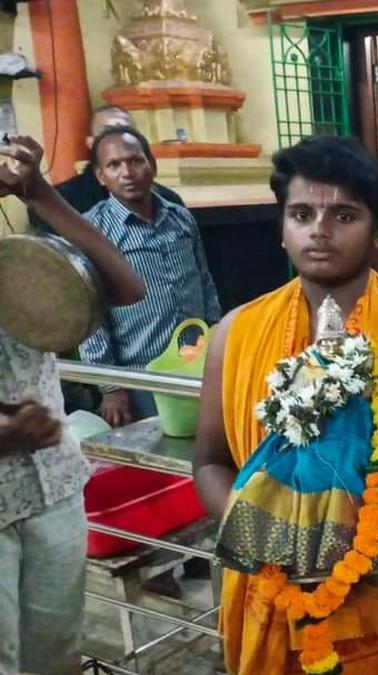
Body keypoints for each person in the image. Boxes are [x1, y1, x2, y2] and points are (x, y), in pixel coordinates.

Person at [192, 135, 378, 674]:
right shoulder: (235, 333)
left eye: (344, 215)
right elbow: (211, 462)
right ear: (282, 230)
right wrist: (265, 541)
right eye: (301, 213)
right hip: (272, 596)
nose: (320, 230)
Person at [0, 135, 146, 675]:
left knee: (57, 653)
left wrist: (40, 193)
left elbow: (128, 287)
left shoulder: (17, 259)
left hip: (53, 487)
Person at [78, 125, 220, 427]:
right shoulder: (93, 231)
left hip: (197, 365)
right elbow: (90, 317)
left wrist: (216, 341)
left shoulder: (179, 218)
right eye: (114, 165)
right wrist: (111, 386)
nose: (127, 172)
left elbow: (204, 281)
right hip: (140, 376)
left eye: (135, 160)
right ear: (100, 176)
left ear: (151, 165)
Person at [28, 105, 184, 233]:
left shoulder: (170, 204)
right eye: (107, 131)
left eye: (125, 131)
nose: (117, 139)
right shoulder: (64, 199)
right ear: (91, 143)